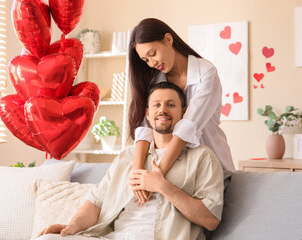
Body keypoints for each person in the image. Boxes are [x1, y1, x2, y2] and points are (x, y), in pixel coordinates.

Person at [37, 82, 224, 240]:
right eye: (156, 105)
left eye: (171, 105)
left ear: (183, 112)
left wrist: (162, 186)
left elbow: (211, 219)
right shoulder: (128, 157)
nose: (163, 110)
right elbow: (96, 202)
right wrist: (71, 228)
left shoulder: (202, 157)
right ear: (148, 113)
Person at [128, 18, 235, 205]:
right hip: (173, 170)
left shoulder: (205, 72)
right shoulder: (155, 81)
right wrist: (137, 176)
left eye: (153, 54)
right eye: (146, 60)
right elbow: (144, 127)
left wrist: (158, 173)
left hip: (209, 166)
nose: (152, 63)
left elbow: (187, 127)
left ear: (168, 39)